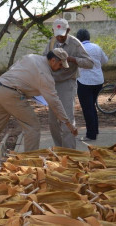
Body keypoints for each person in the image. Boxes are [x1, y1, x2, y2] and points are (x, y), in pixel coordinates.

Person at [0, 49, 78, 172]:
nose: (61, 68)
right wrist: (67, 123)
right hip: (11, 94)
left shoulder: (31, 57)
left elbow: (15, 70)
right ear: (53, 60)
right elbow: (54, 102)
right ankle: (29, 165)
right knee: (33, 126)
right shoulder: (45, 75)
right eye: (60, 64)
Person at [43, 18, 93, 149]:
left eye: (62, 34)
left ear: (68, 30)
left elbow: (89, 63)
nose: (59, 37)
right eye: (57, 34)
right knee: (53, 121)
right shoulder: (51, 42)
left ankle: (70, 152)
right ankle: (60, 150)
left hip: (67, 83)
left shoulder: (75, 44)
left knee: (66, 120)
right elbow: (43, 60)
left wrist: (73, 59)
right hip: (52, 83)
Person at [76, 29, 108, 141]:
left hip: (84, 81)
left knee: (87, 108)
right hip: (98, 80)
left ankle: (91, 134)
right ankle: (95, 130)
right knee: (92, 106)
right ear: (88, 37)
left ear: (78, 38)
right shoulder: (96, 47)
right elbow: (105, 60)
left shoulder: (78, 49)